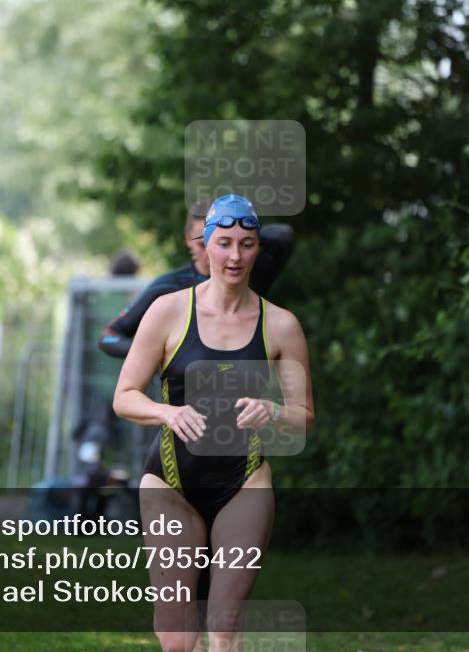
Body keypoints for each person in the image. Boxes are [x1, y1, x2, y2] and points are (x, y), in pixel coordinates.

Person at [113, 195, 314, 652]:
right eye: (224, 243)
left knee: (224, 629)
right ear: (204, 246)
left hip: (243, 482)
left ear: (258, 248)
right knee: (178, 639)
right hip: (170, 484)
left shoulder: (281, 326)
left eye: (247, 244)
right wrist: (167, 411)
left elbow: (304, 417)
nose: (235, 256)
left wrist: (274, 412)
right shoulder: (167, 311)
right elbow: (124, 397)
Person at [98, 200, 295, 358]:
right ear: (188, 240)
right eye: (203, 244)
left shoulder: (249, 275)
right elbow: (109, 336)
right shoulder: (167, 288)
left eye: (223, 243)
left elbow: (284, 236)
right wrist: (151, 352)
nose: (214, 253)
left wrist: (241, 230)